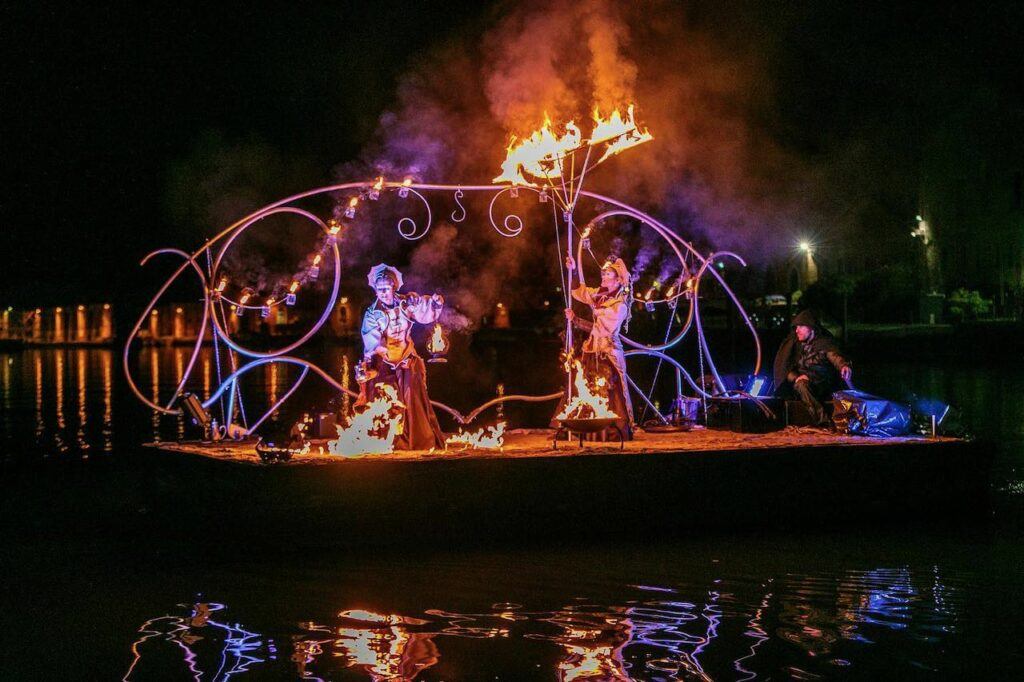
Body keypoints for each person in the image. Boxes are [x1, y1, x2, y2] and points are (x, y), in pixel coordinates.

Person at [358, 263, 445, 450]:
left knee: (412, 398)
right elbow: (371, 340)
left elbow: (423, 311)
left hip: (406, 357)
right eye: (379, 289)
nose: (383, 292)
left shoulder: (406, 303)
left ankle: (417, 441)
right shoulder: (372, 313)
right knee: (387, 401)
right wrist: (380, 356)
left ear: (394, 287)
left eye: (386, 288)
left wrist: (435, 304)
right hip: (384, 361)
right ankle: (388, 442)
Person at [556, 254, 634, 439]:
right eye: (603, 273)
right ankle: (583, 431)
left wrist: (579, 317)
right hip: (592, 350)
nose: (603, 277)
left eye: (608, 274)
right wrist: (573, 270)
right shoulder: (599, 295)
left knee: (609, 391)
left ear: (618, 279)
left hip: (609, 352)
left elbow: (603, 328)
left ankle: (613, 433)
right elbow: (580, 292)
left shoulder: (619, 305)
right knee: (585, 387)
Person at [773, 309, 852, 426]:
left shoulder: (823, 343)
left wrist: (843, 366)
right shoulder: (794, 345)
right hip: (802, 385)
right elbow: (785, 370)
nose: (797, 330)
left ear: (811, 328)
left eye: (801, 326)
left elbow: (834, 356)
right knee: (801, 384)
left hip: (822, 384)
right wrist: (797, 377)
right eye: (796, 327)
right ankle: (823, 421)